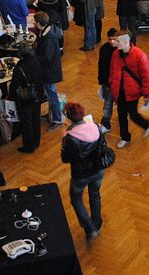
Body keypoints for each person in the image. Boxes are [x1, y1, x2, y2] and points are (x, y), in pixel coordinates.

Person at [61, 102, 105, 241]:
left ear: (68, 117)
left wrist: (63, 139)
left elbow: (65, 159)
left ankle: (90, 228)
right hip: (98, 170)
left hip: (81, 175)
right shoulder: (96, 127)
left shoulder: (70, 138)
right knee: (95, 194)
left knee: (76, 198)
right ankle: (97, 224)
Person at [109, 32, 149, 148]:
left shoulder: (139, 56)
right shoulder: (115, 54)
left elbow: (146, 77)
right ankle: (125, 137)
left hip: (133, 92)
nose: (114, 43)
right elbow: (113, 71)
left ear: (126, 42)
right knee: (121, 115)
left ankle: (145, 124)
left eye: (117, 41)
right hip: (120, 91)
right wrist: (112, 84)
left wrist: (146, 94)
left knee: (133, 114)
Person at [9, 43, 43, 153]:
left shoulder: (19, 67)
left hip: (25, 98)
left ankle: (29, 146)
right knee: (36, 118)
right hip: (37, 94)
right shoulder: (36, 61)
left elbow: (14, 86)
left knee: (26, 122)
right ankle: (36, 141)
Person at [34, 11, 64, 131]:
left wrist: (34, 57)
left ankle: (57, 119)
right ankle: (52, 114)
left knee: (52, 95)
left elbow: (47, 57)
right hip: (50, 70)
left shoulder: (49, 38)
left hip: (49, 72)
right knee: (51, 94)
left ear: (39, 23)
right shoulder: (48, 31)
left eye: (35, 22)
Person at [97, 28, 118, 133]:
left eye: (114, 39)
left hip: (119, 83)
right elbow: (101, 65)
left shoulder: (121, 49)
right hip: (108, 83)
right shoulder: (104, 49)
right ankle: (106, 123)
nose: (112, 41)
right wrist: (101, 81)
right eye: (110, 39)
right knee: (107, 104)